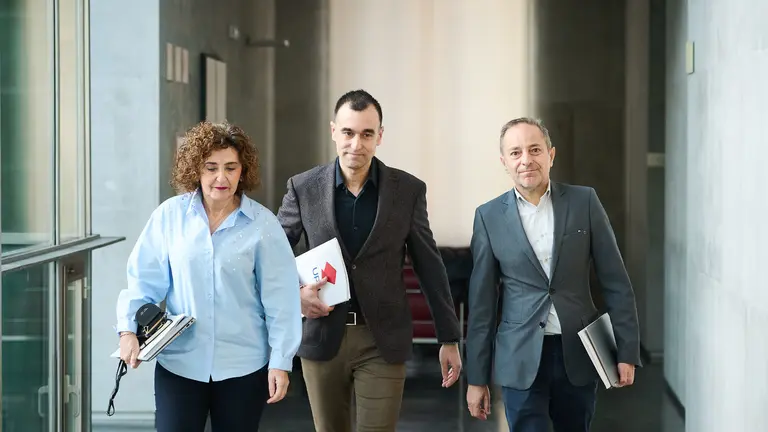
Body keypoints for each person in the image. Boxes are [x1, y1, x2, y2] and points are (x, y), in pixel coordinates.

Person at [276, 89, 463, 432]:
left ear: (380, 135)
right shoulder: (302, 188)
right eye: (348, 133)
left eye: (366, 134)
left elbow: (430, 267)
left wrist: (448, 337)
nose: (356, 144)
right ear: (334, 131)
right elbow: (271, 258)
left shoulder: (407, 191)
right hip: (322, 337)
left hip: (383, 339)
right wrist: (295, 294)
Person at [115, 121, 302, 432]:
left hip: (244, 367)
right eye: (211, 167)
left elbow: (281, 299)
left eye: (231, 167)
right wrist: (127, 332)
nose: (221, 177)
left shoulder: (263, 225)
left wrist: (281, 361)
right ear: (196, 170)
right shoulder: (169, 217)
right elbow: (143, 282)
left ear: (243, 171)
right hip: (180, 363)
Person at [465, 117, 641, 431]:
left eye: (535, 150)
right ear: (504, 161)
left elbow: (616, 282)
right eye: (516, 152)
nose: (526, 160)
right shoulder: (488, 216)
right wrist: (476, 379)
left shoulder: (584, 201)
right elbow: (481, 307)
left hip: (579, 351)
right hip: (519, 355)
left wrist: (626, 350)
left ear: (551, 155)